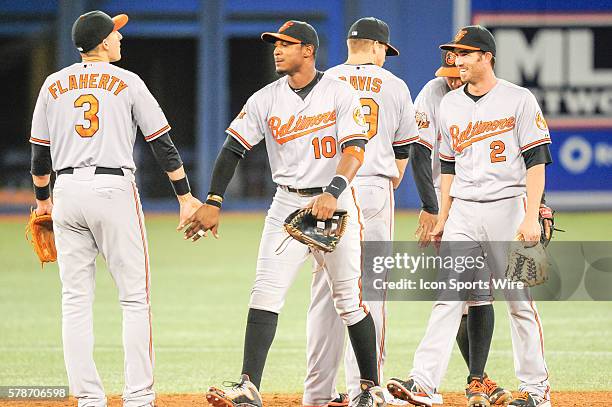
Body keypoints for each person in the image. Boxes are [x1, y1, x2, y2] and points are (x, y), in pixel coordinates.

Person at [181, 20, 386, 407]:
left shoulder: (339, 92)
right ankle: (248, 385)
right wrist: (213, 200)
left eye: (286, 44)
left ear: (307, 51)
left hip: (335, 205)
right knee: (265, 290)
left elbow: (356, 148)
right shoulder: (265, 99)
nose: (276, 49)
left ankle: (370, 387)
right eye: (274, 44)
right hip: (288, 205)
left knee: (348, 300)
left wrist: (333, 191)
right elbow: (232, 149)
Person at [29, 10, 202, 407]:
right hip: (112, 188)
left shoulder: (53, 84)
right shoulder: (127, 81)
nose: (120, 38)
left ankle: (89, 399)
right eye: (115, 33)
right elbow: (162, 143)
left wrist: (43, 202)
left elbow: (40, 155)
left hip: (67, 189)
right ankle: (138, 397)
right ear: (103, 42)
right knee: (134, 298)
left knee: (74, 299)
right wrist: (184, 196)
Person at [386, 26, 552, 407]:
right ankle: (424, 383)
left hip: (508, 206)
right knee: (447, 298)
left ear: (486, 56)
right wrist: (443, 214)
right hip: (463, 209)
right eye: (455, 53)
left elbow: (536, 161)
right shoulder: (449, 104)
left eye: (465, 53)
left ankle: (537, 391)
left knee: (518, 300)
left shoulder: (519, 99)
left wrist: (529, 215)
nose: (457, 60)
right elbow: (447, 165)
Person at [301, 17, 438, 407]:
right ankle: (366, 388)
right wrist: (393, 176)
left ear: (350, 44)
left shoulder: (323, 81)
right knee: (369, 292)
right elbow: (405, 149)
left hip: (328, 190)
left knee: (326, 292)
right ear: (378, 47)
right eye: (384, 50)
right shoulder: (393, 85)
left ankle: (320, 391)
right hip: (373, 187)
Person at [413, 49, 512, 406]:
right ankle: (477, 379)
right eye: (449, 74)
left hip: (479, 202)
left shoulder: (497, 98)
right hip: (449, 206)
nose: (453, 80)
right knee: (462, 296)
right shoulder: (434, 92)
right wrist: (431, 207)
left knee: (473, 292)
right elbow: (419, 153)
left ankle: (477, 378)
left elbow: (522, 152)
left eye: (458, 72)